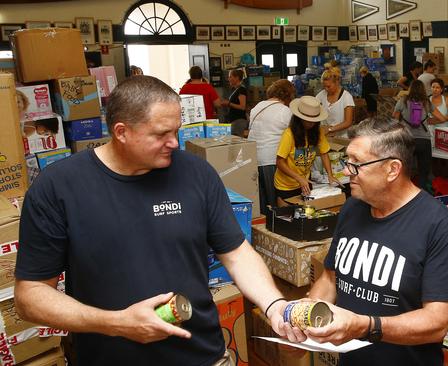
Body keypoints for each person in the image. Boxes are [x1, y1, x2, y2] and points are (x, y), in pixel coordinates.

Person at [14, 75, 303, 366]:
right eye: (161, 134)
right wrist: (116, 323)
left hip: (203, 356)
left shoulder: (196, 174)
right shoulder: (58, 187)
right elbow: (30, 296)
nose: (174, 143)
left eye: (176, 131)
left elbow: (236, 252)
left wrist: (274, 305)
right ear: (121, 132)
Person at [307, 117, 448, 366]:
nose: (347, 170)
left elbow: (436, 323)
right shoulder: (352, 208)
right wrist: (305, 317)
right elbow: (330, 279)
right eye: (347, 161)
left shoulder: (439, 227)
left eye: (357, 164)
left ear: (393, 169)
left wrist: (365, 326)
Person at [274, 95, 340, 206]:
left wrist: (330, 174)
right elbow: (280, 162)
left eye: (314, 120)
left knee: (307, 212)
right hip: (286, 185)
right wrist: (298, 178)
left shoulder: (317, 132)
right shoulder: (289, 134)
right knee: (288, 216)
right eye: (308, 120)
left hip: (305, 182)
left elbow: (324, 153)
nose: (311, 123)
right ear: (299, 119)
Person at [247, 79, 296, 213]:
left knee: (261, 200)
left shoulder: (257, 107)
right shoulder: (285, 111)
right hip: (271, 159)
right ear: (288, 95)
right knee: (274, 200)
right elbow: (293, 136)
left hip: (253, 157)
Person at [392, 80, 434, 193]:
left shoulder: (403, 101)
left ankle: (404, 193)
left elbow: (394, 117)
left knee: (405, 170)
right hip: (424, 140)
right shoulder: (427, 102)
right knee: (423, 171)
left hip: (407, 139)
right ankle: (422, 193)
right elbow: (437, 117)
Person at [315, 69, 355, 137]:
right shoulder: (320, 96)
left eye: (328, 86)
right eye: (324, 86)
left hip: (341, 137)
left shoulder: (346, 97)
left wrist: (330, 129)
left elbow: (348, 122)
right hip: (325, 136)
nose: (326, 89)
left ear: (337, 82)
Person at [220, 69, 248, 136]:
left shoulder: (242, 90)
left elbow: (242, 107)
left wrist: (229, 103)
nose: (228, 79)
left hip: (239, 121)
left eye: (230, 77)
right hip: (234, 120)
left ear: (237, 78)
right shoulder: (235, 90)